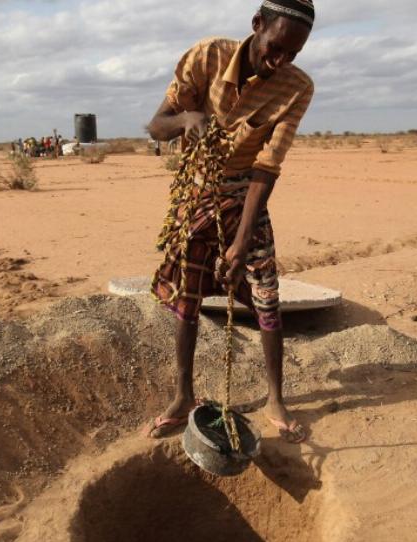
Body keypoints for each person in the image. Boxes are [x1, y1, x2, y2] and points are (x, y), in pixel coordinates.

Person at [145, 0, 315, 443]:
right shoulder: (207, 57)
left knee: (265, 294)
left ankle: (276, 398)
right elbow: (156, 126)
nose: (280, 62)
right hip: (197, 192)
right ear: (256, 25)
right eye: (275, 47)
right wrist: (187, 118)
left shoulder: (297, 87)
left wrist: (240, 243)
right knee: (189, 296)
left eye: (292, 55)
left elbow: (267, 167)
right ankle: (183, 396)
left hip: (247, 197)